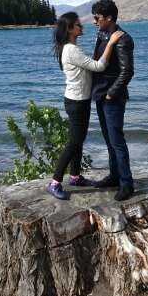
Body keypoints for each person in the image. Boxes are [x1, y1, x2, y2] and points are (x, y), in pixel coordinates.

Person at [47, 11, 124, 200]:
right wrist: (111, 42)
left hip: (79, 99)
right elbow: (98, 66)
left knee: (78, 139)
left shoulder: (70, 48)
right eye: (78, 24)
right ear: (70, 29)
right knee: (74, 142)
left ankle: (75, 177)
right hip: (76, 102)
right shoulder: (71, 50)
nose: (82, 26)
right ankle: (55, 182)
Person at [90, 0, 135, 201]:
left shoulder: (123, 39)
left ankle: (127, 184)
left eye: (97, 17)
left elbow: (127, 71)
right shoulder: (102, 35)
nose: (94, 21)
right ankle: (114, 176)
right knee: (109, 140)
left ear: (109, 18)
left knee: (117, 141)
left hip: (112, 98)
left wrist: (111, 93)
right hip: (100, 95)